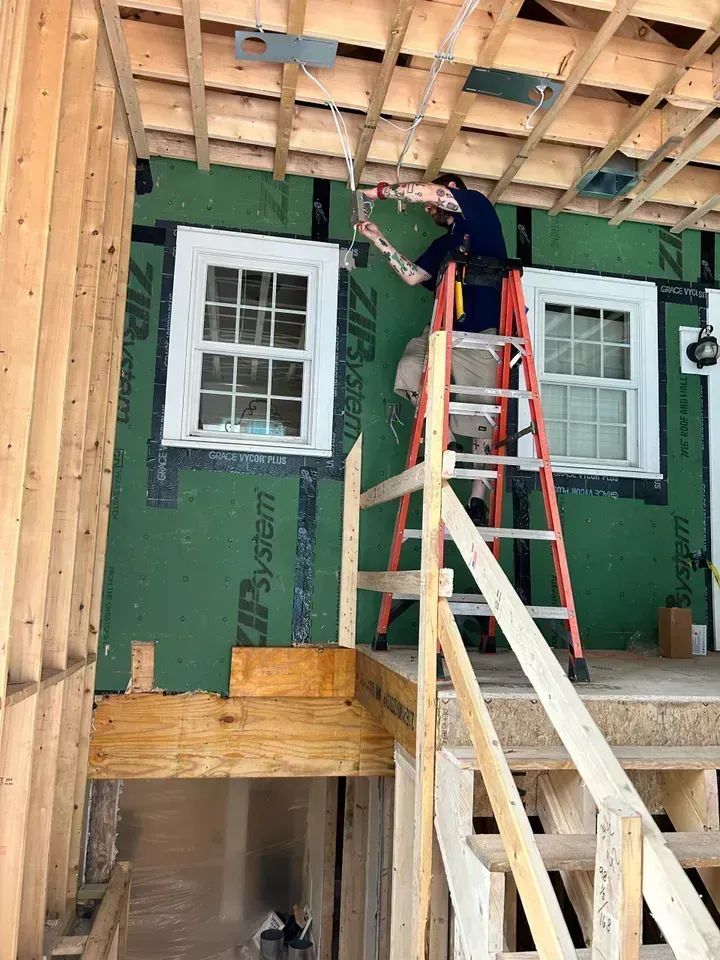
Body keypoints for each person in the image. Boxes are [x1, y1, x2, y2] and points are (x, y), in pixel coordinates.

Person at [358, 174, 508, 524]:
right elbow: (413, 275)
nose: (427, 207)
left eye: (433, 202)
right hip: (443, 331)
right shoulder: (445, 243)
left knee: (483, 417)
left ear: (452, 192)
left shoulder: (479, 211)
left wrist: (374, 193)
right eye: (427, 204)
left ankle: (477, 500)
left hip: (481, 336)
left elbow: (427, 192)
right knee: (411, 367)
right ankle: (449, 440)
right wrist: (377, 238)